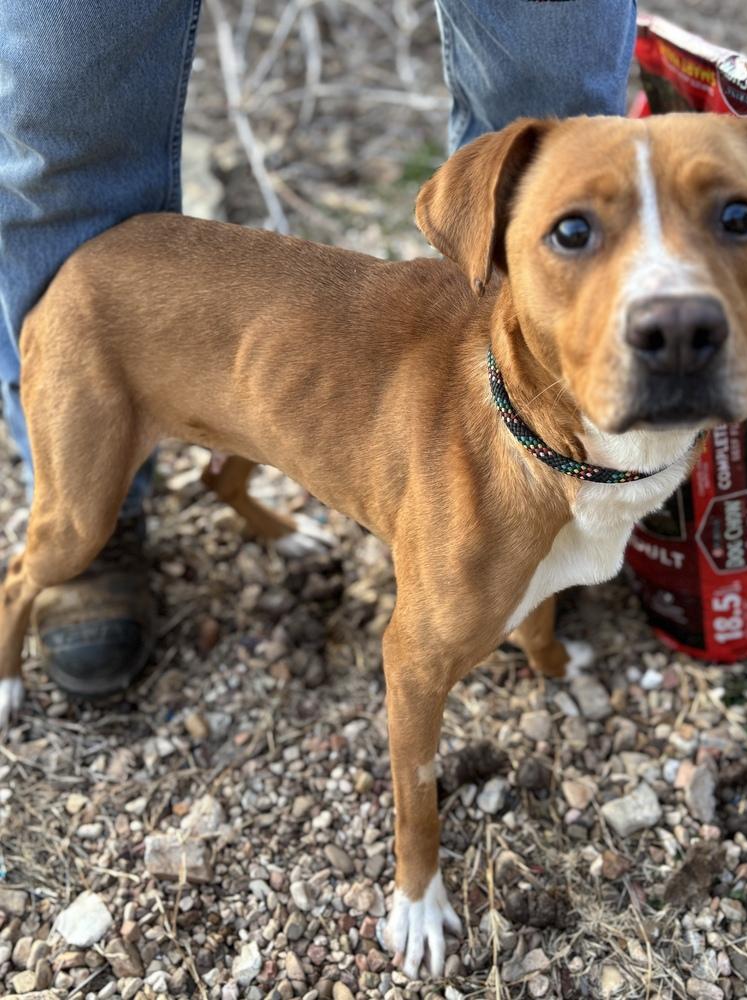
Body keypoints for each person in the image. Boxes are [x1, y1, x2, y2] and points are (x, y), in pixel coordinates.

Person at [0, 0, 636, 697]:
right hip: (98, 330)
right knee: (66, 98)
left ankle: (527, 514)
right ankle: (69, 544)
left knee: (554, 93)